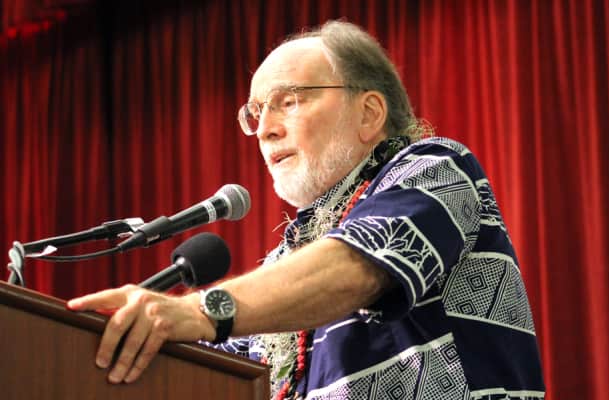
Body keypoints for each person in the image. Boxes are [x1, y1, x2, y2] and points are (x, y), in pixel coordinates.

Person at [68, 20, 545, 400]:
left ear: (369, 113)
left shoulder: (435, 170)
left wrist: (197, 310)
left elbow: (359, 265)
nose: (264, 130)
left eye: (288, 102)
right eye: (256, 113)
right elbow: (220, 368)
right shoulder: (285, 264)